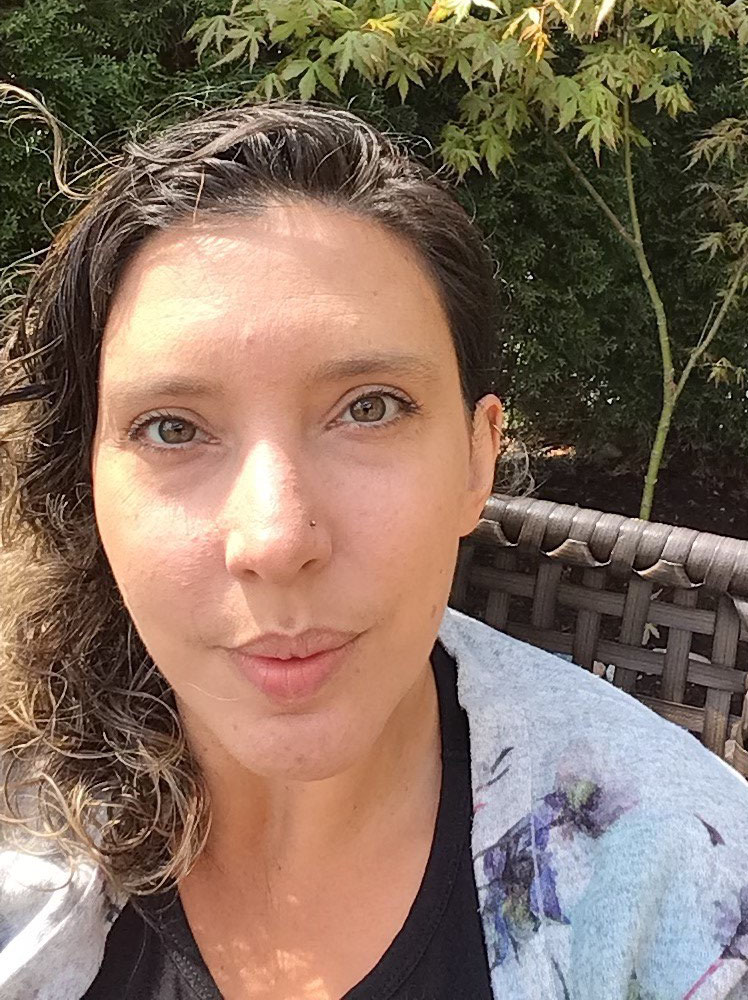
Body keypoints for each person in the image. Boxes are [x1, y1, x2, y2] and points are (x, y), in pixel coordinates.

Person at [1, 99, 748, 1000]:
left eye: (370, 408)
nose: (277, 539)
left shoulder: (684, 872)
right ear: (86, 481)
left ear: (477, 458)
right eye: (172, 427)